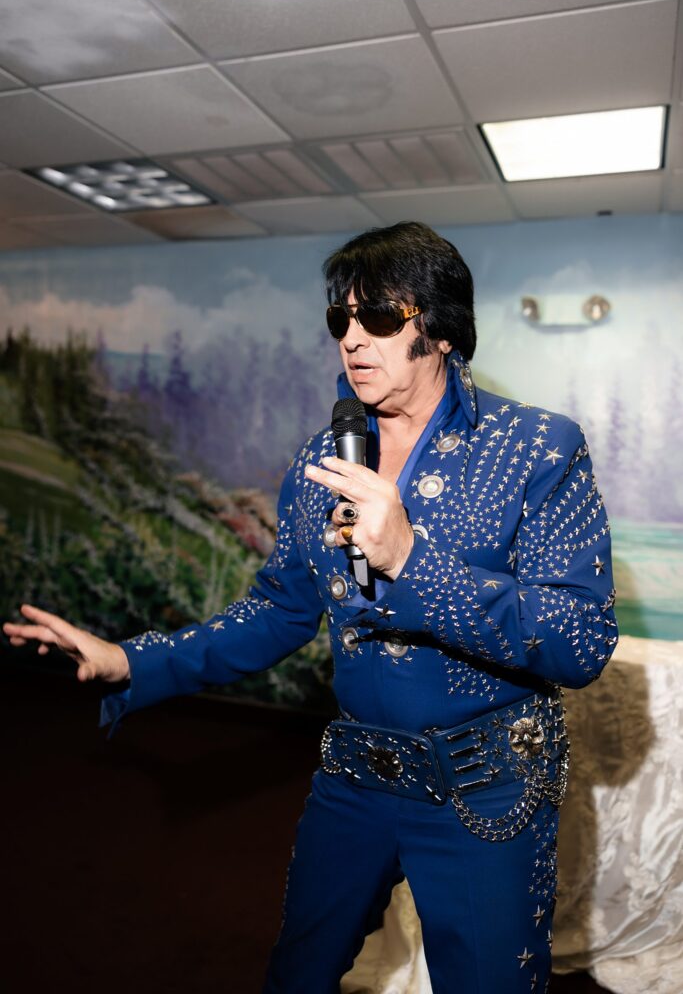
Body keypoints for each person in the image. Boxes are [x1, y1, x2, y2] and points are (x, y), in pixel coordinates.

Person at [4, 221, 618, 994]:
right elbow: (277, 610)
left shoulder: (536, 447)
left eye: (380, 319)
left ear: (441, 330)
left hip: (486, 792)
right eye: (341, 320)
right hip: (355, 777)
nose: (353, 340)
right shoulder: (323, 458)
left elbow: (581, 639)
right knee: (296, 975)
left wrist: (411, 561)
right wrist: (129, 657)